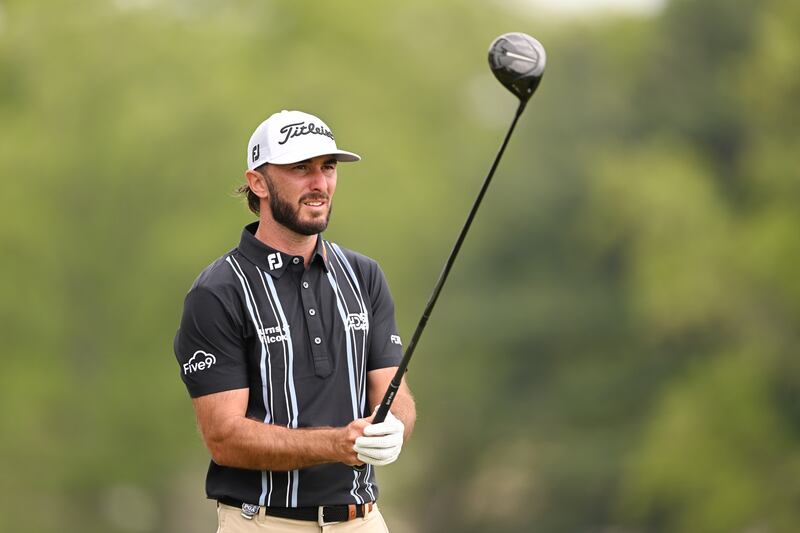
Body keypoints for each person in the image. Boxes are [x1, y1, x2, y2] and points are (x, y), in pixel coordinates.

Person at [173, 110, 416, 532]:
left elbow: (395, 393)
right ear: (258, 182)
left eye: (328, 168)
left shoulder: (364, 275)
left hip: (362, 520)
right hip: (264, 523)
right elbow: (224, 438)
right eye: (300, 169)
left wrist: (393, 426)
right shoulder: (218, 292)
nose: (319, 183)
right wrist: (337, 443)